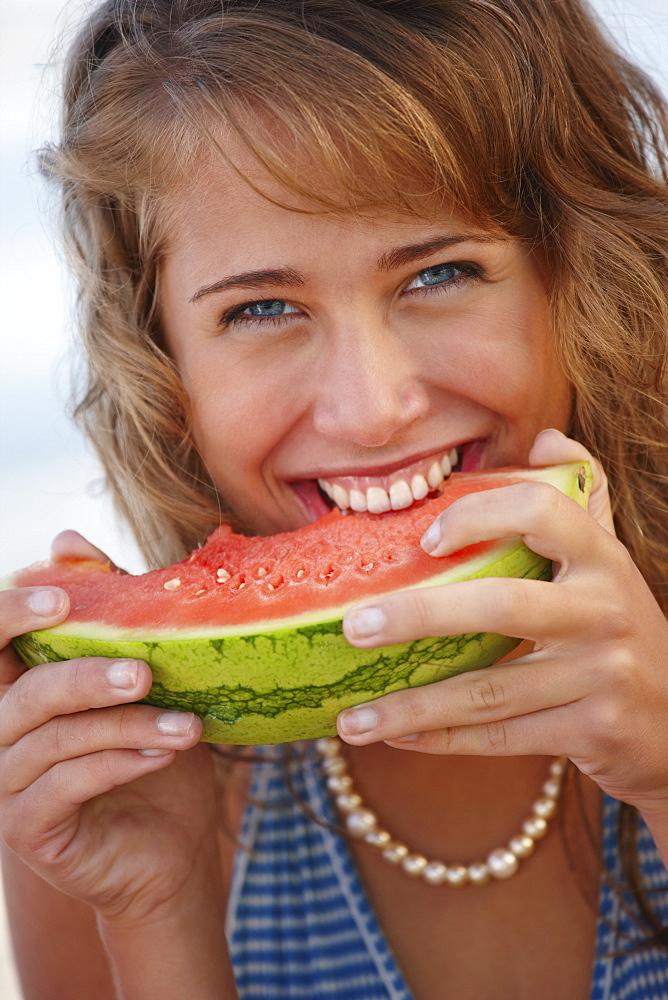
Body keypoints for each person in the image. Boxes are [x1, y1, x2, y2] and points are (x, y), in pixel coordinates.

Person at [1, 0, 667, 997]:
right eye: (261, 308)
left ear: (575, 277)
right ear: (163, 368)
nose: (369, 410)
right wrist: (159, 909)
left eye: (439, 273)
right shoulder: (100, 790)